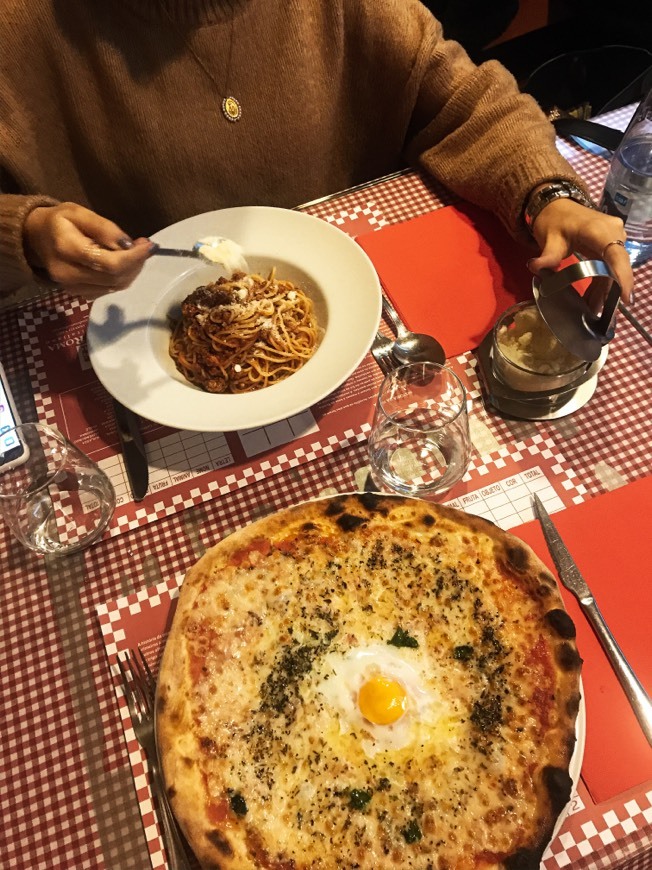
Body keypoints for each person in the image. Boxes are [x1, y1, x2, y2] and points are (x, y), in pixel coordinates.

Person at [0, 0, 633, 307]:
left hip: (356, 333)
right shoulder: (21, 28)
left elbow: (468, 101)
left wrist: (544, 193)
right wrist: (25, 233)